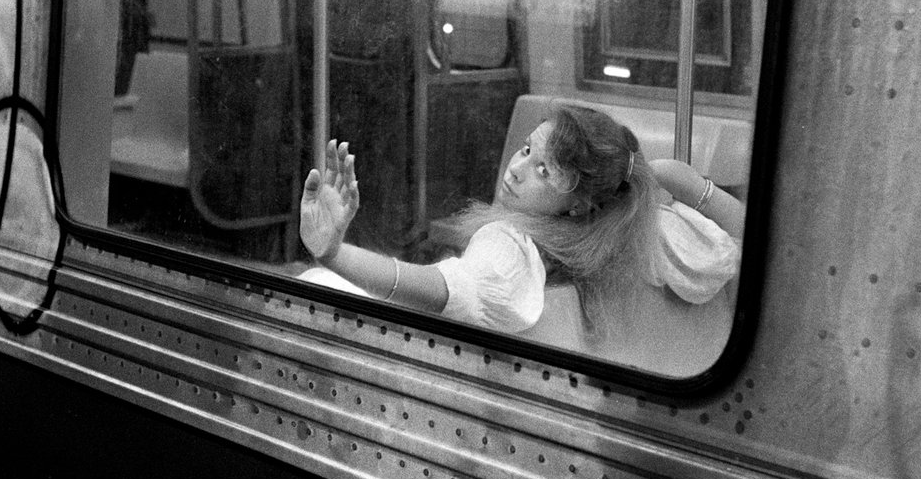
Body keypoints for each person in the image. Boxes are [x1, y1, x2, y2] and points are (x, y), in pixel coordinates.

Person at [298, 105, 743, 334]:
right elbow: (740, 239)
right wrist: (680, 182)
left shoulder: (510, 246)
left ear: (581, 206)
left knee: (314, 281)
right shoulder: (646, 235)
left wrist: (335, 254)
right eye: (528, 149)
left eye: (544, 170)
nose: (516, 167)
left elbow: (444, 290)